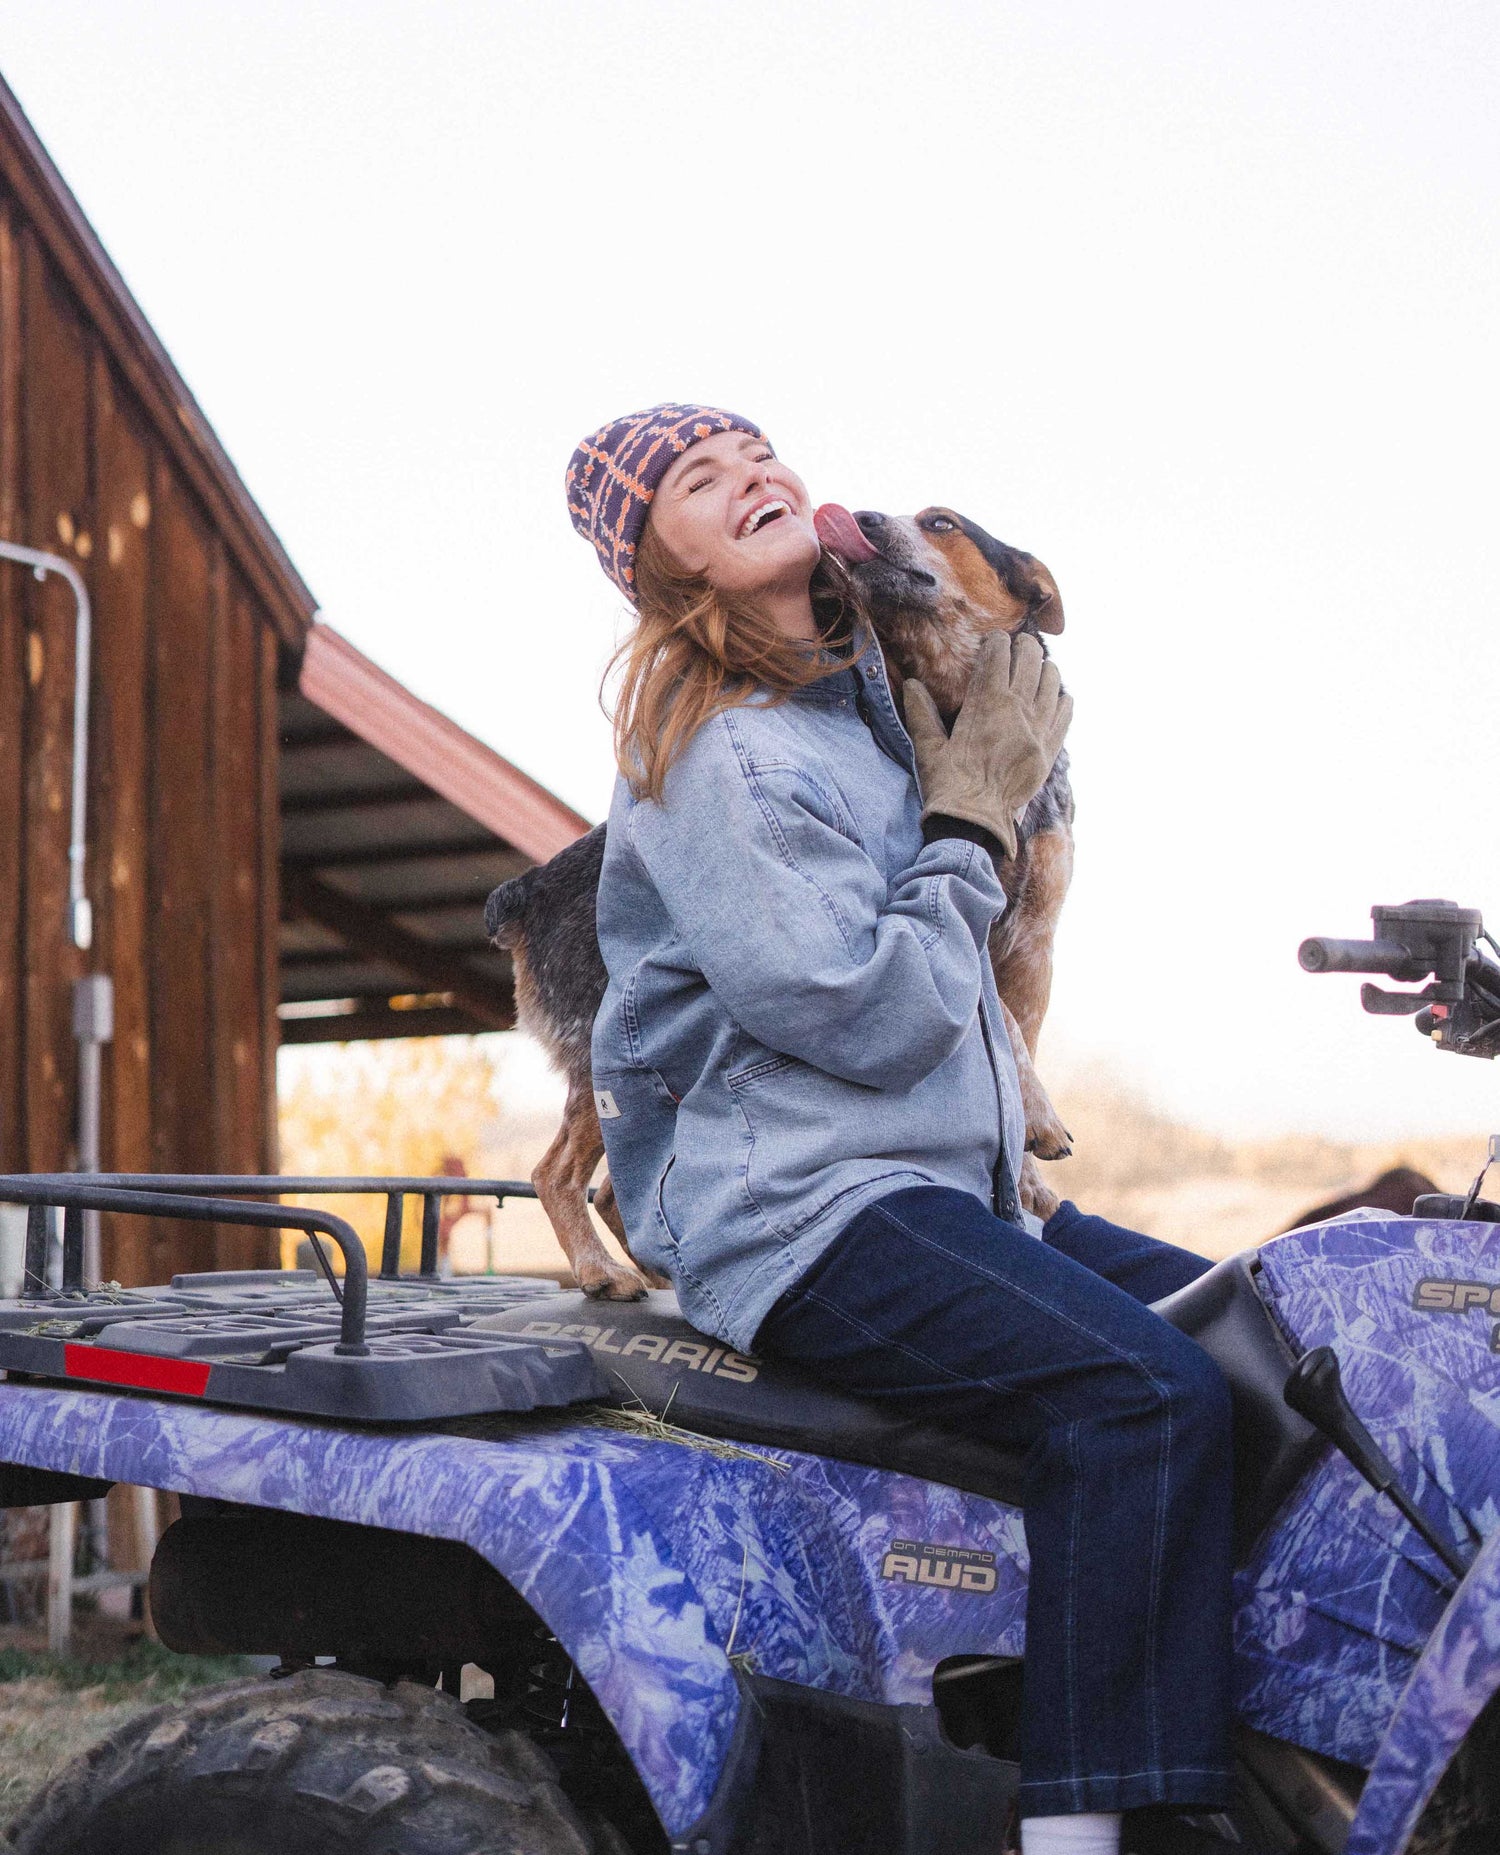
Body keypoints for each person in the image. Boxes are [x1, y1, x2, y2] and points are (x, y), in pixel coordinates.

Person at [566, 404, 1233, 1855]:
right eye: (697, 480)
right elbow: (870, 1015)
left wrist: (968, 774)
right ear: (656, 567)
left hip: (945, 1197)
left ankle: (1246, 1760)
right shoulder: (726, 756)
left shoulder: (862, 720)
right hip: (808, 1216)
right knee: (1146, 1397)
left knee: (1264, 1331)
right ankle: (1083, 1832)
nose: (752, 477)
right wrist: (973, 821)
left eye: (757, 453)